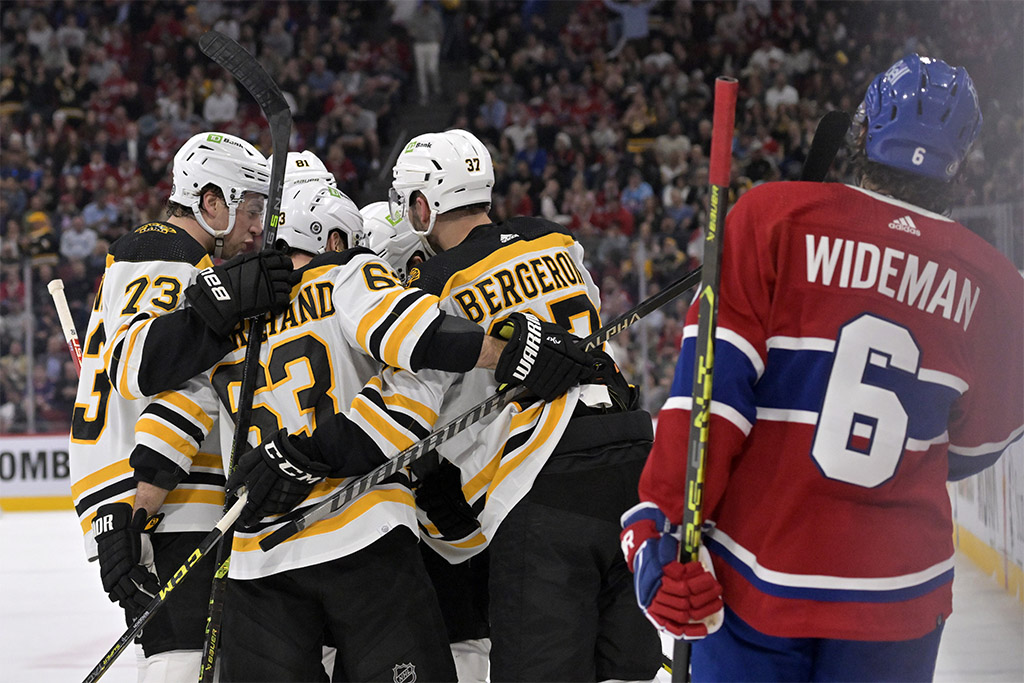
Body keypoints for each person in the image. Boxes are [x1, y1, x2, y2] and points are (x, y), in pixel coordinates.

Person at [621, 54, 1023, 682]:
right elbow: (978, 444)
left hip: (759, 578)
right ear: (961, 161)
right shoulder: (995, 284)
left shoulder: (771, 218)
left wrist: (657, 527)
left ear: (862, 130)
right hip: (902, 594)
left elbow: (709, 404)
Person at [188, 175, 595, 681]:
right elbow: (417, 337)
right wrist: (511, 352)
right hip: (365, 532)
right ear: (334, 240)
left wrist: (123, 514)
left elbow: (171, 409)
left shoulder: (218, 314)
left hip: (255, 557)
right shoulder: (345, 278)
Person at [353, 128, 663, 681]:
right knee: (628, 671)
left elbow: (420, 398)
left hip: (544, 479)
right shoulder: (556, 241)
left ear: (424, 204)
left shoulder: (433, 283)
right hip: (632, 456)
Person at [69, 131, 295, 681]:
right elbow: (138, 363)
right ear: (211, 202)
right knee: (183, 660)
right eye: (250, 207)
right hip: (156, 499)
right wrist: (228, 297)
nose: (257, 225)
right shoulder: (164, 251)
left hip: (149, 497)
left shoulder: (166, 256)